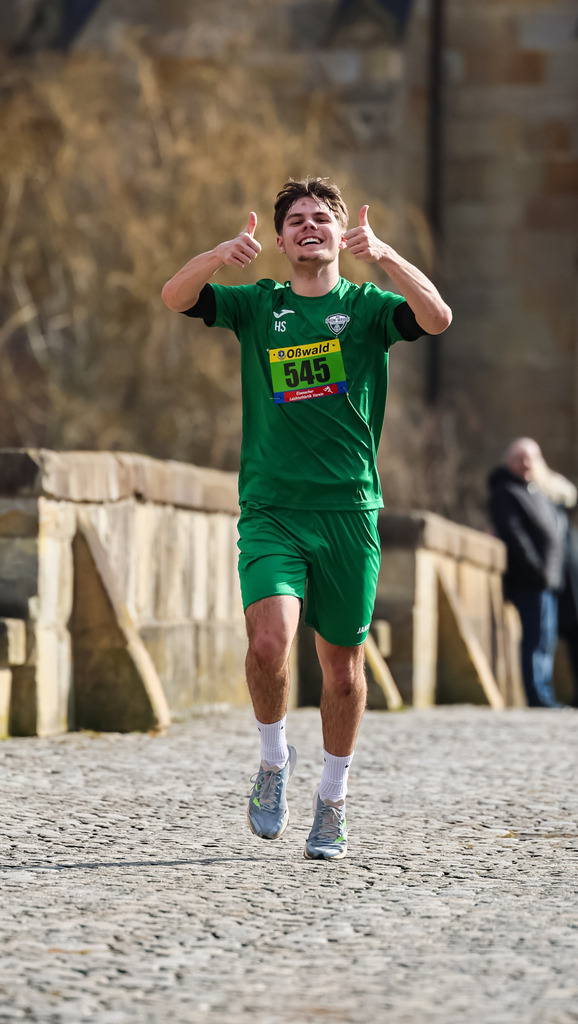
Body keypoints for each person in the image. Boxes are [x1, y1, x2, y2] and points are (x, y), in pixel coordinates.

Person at [162, 177, 452, 859]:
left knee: (344, 672)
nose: (309, 227)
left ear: (340, 232)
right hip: (272, 508)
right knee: (269, 643)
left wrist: (384, 255)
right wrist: (216, 255)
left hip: (349, 511)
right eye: (296, 220)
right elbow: (176, 298)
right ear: (283, 238)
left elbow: (437, 317)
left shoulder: (370, 308)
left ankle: (333, 800)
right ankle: (272, 762)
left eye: (321, 218)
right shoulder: (261, 306)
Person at [488, 438, 567, 708]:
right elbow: (516, 537)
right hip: (529, 580)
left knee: (546, 639)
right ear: (508, 461)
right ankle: (538, 696)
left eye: (531, 457)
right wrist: (537, 569)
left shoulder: (536, 491)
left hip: (548, 580)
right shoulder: (506, 492)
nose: (526, 463)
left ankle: (544, 693)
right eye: (520, 457)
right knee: (535, 639)